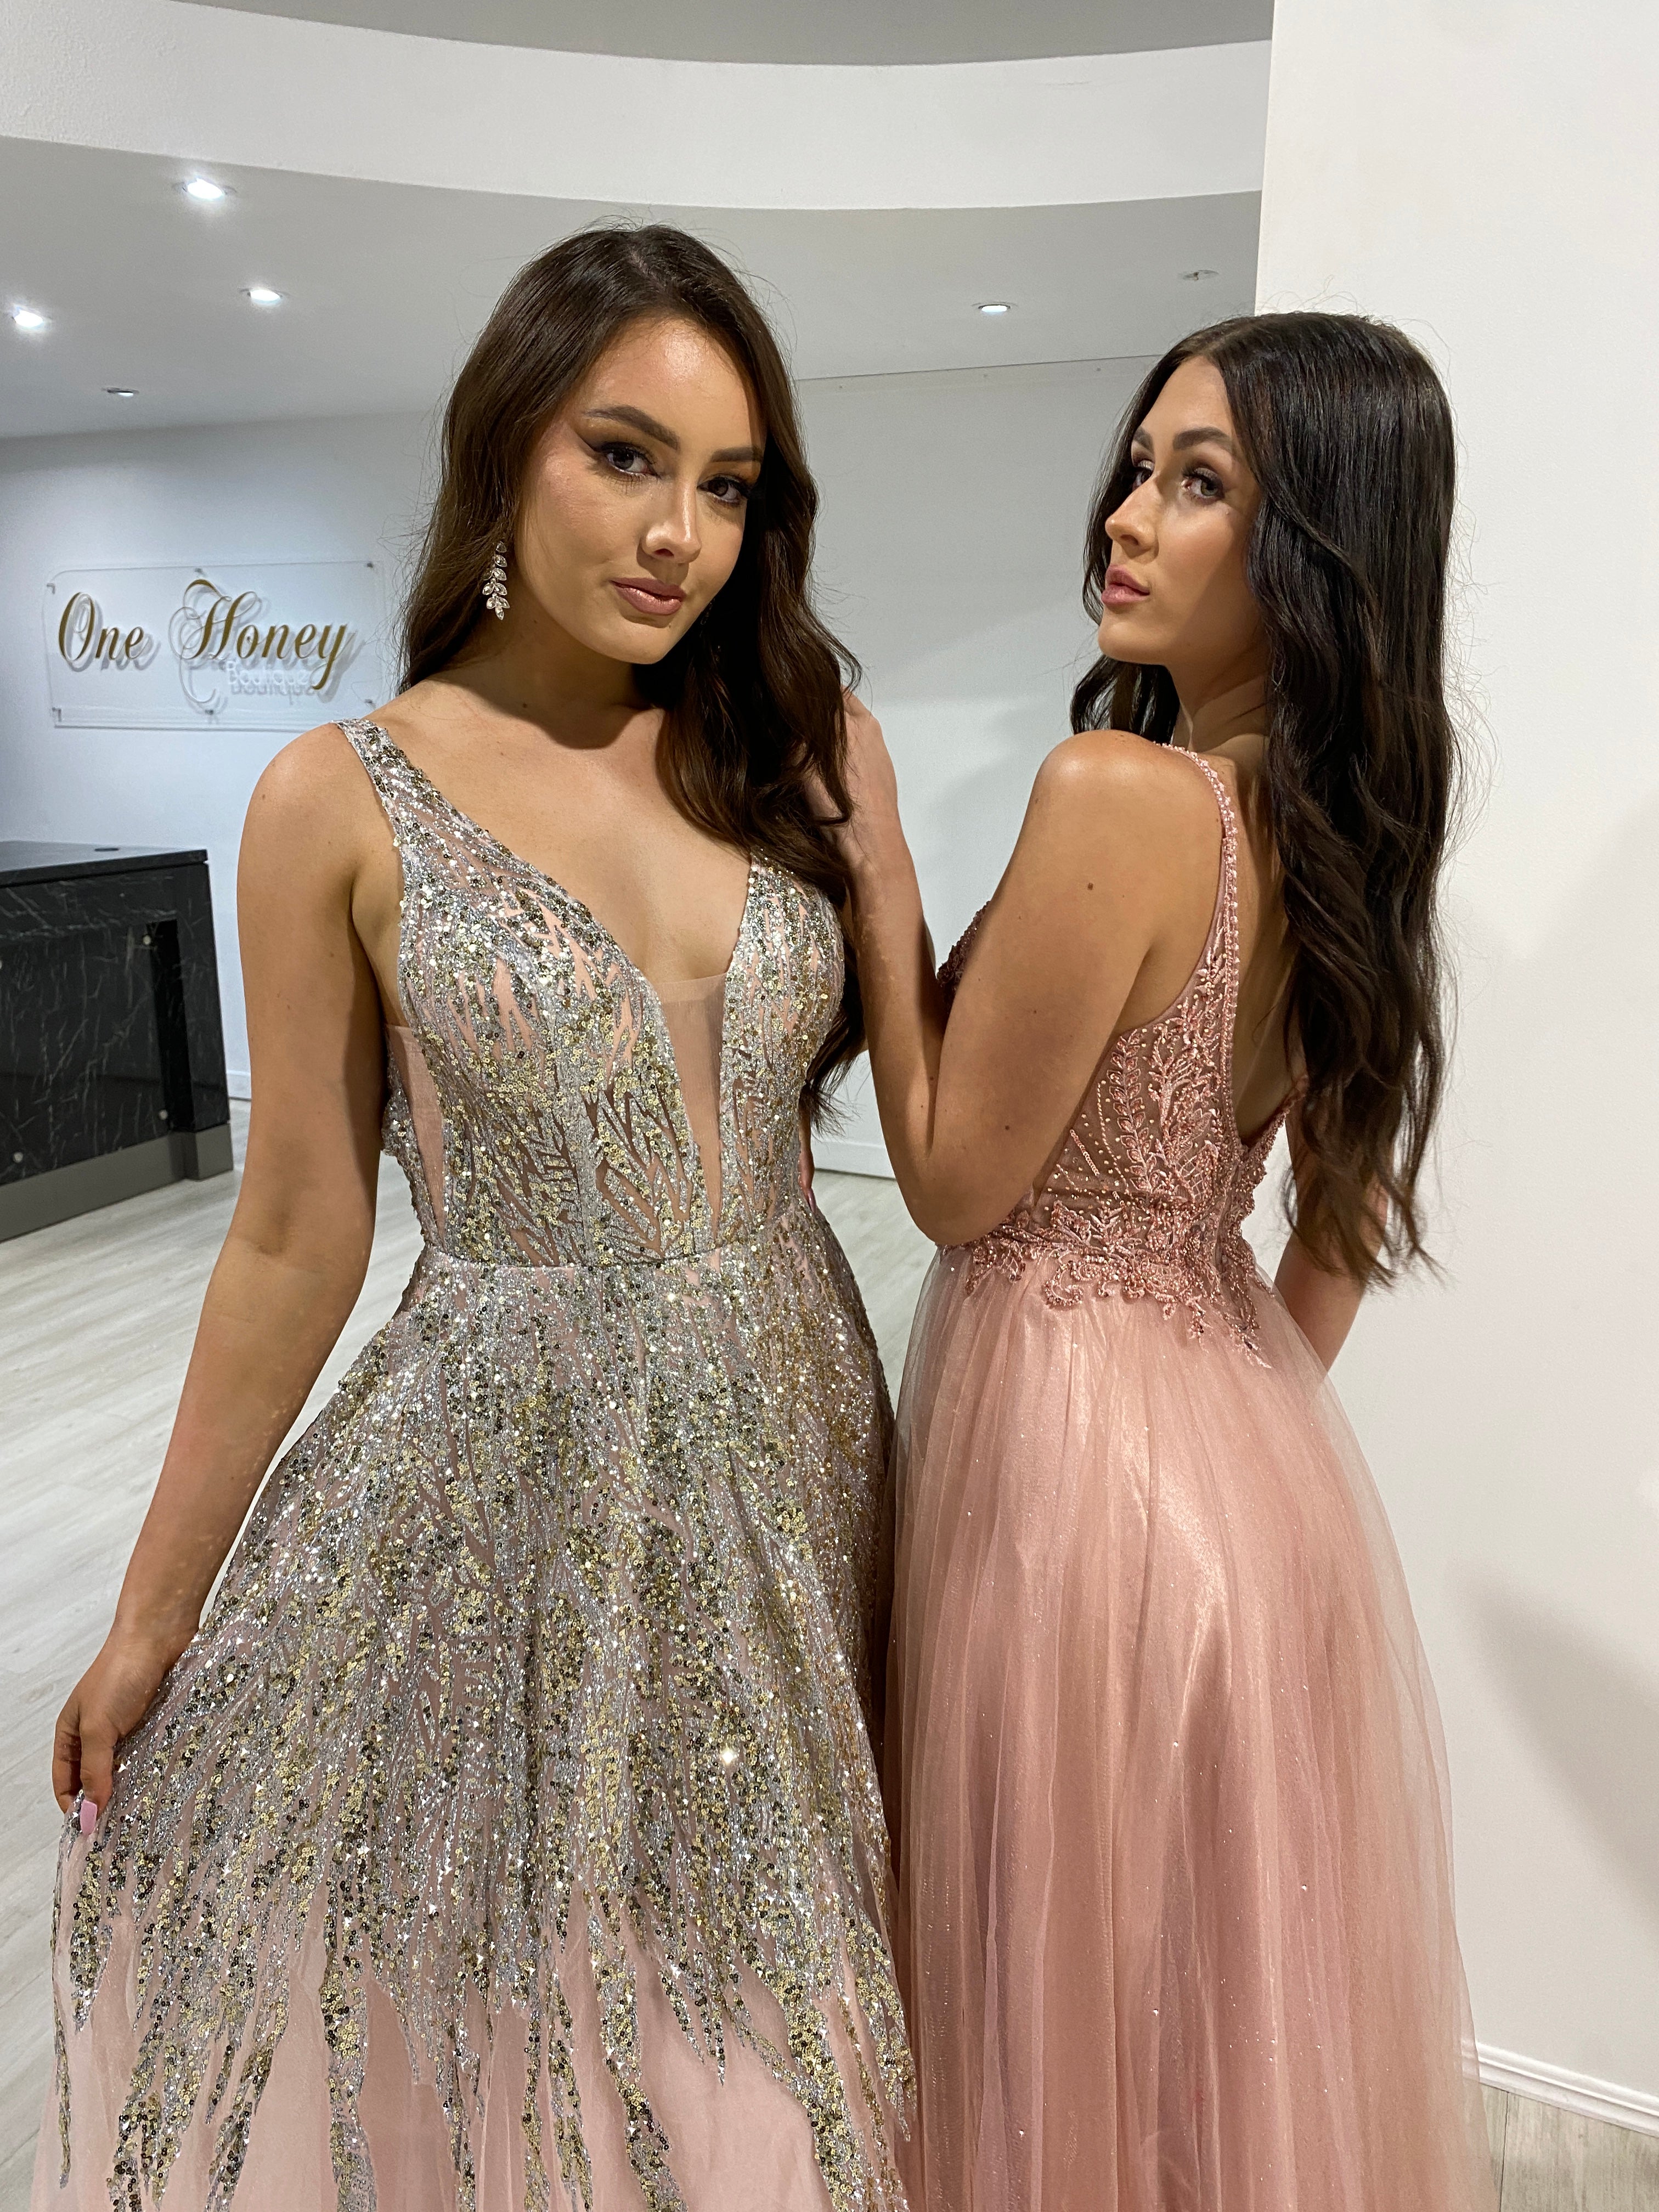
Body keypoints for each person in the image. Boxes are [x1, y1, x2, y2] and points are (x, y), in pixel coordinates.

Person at [38, 225, 911, 2212]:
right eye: (626, 455)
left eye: (728, 485)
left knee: (783, 1967)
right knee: (520, 1977)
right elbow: (292, 1232)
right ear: (507, 445)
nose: (678, 531)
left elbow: (937, 1119)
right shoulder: (336, 798)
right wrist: (156, 1609)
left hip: (798, 1426)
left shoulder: (795, 749)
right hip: (506, 1459)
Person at [828, 314, 1496, 2209]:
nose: (1127, 517)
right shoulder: (1352, 835)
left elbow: (957, 1182)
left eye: (1200, 485)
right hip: (1242, 1468)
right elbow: (1341, 1236)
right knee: (1188, 2029)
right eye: (1141, 465)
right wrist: (1229, 1449)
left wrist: (880, 866)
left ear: (1316, 558)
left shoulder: (1122, 799)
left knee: (1038, 1993)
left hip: (1065, 1458)